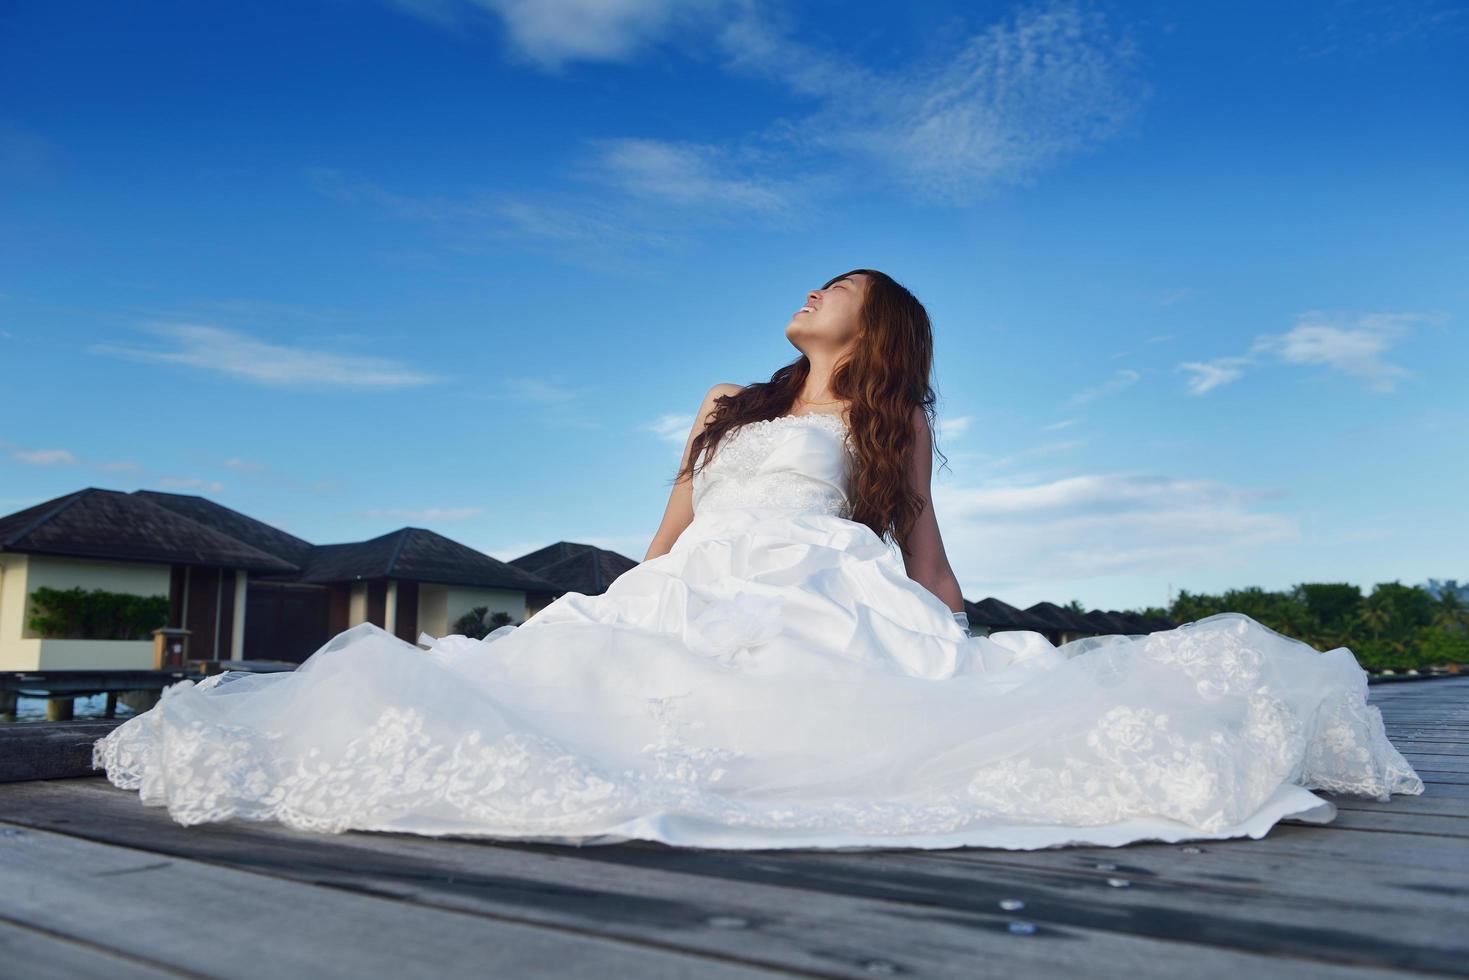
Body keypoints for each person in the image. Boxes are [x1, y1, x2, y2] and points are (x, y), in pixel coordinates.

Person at [92, 268, 1423, 850]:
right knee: (555, 683)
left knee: (844, 716)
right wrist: (625, 592)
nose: (807, 295)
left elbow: (917, 542)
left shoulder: (885, 417)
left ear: (873, 318)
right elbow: (670, 523)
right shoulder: (727, 399)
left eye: (830, 285)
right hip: (695, 581)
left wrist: (960, 630)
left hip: (816, 594)